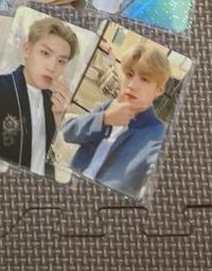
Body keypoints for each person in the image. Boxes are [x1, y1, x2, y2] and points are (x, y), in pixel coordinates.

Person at [61, 45, 170, 198]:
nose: (131, 85)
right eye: (129, 74)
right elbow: (68, 133)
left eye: (145, 79)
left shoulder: (158, 134)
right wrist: (104, 119)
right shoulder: (109, 106)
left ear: (159, 89)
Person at [0, 16, 78, 174]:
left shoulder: (52, 102)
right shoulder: (0, 88)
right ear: (27, 50)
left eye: (61, 61)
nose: (52, 67)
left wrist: (58, 120)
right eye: (45, 53)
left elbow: (44, 156)